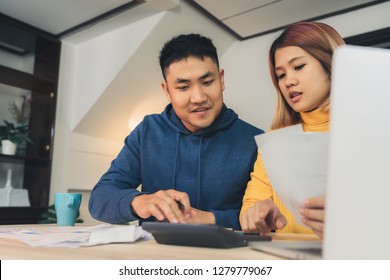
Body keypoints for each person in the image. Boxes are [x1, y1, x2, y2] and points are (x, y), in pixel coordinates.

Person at [89, 33, 263, 230]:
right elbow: (99, 198)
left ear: (221, 80)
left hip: (229, 256)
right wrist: (140, 202)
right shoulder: (147, 131)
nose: (198, 97)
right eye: (183, 87)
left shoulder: (254, 140)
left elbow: (266, 216)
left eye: (207, 82)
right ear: (167, 91)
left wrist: (212, 218)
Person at [240, 22, 345, 238]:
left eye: (298, 67)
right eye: (281, 75)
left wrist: (350, 225)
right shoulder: (275, 139)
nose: (289, 81)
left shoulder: (371, 129)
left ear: (331, 65)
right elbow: (249, 209)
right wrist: (258, 216)